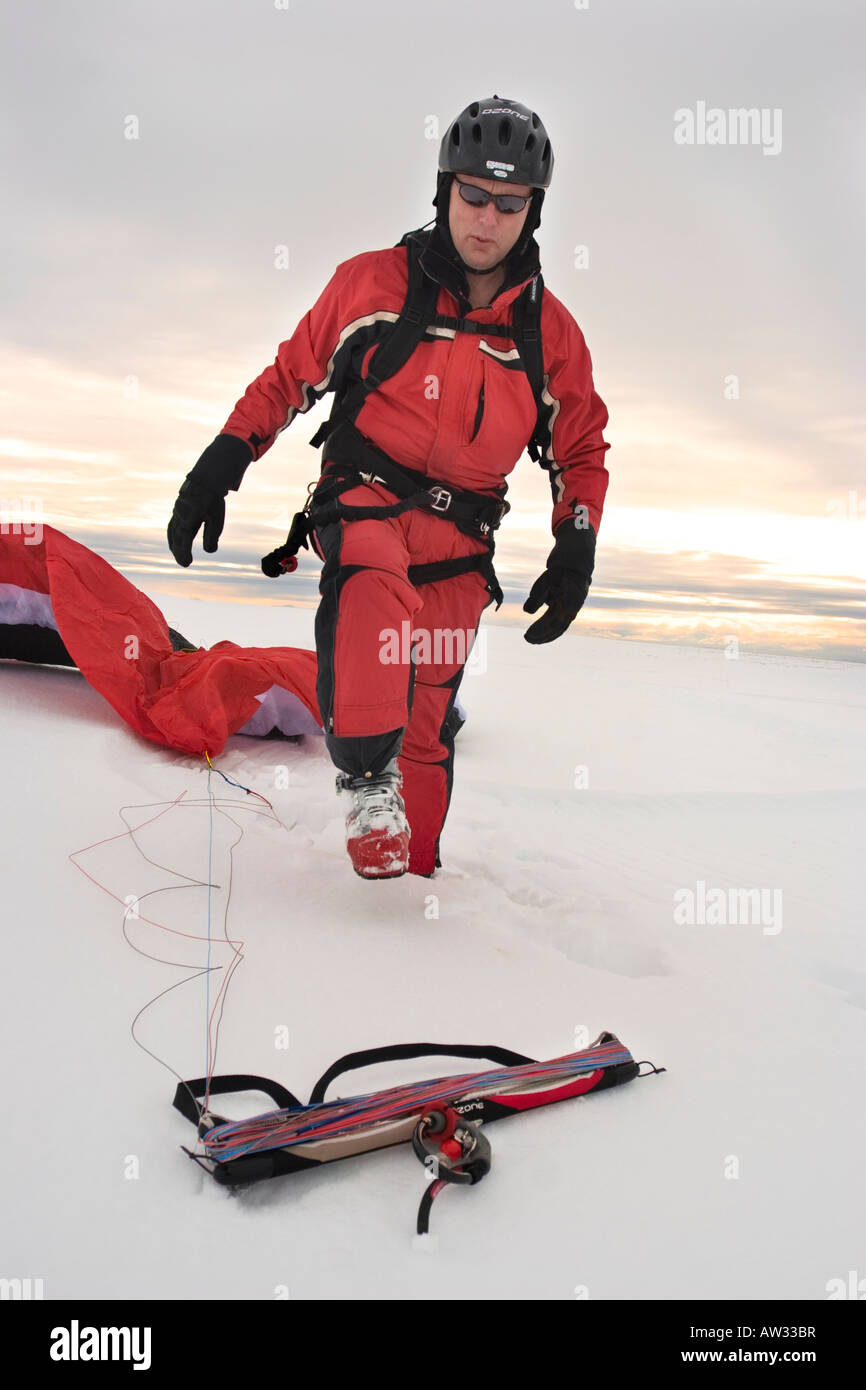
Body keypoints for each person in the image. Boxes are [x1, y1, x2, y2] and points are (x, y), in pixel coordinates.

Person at [167, 95, 610, 881]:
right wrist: (223, 462)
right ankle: (367, 786)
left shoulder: (551, 335)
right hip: (367, 493)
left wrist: (576, 543)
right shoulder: (372, 284)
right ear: (444, 190)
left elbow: (580, 447)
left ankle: (415, 881)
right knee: (371, 591)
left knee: (428, 721)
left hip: (461, 545)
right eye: (473, 194)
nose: (487, 217)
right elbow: (288, 378)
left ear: (533, 211)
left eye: (510, 202)